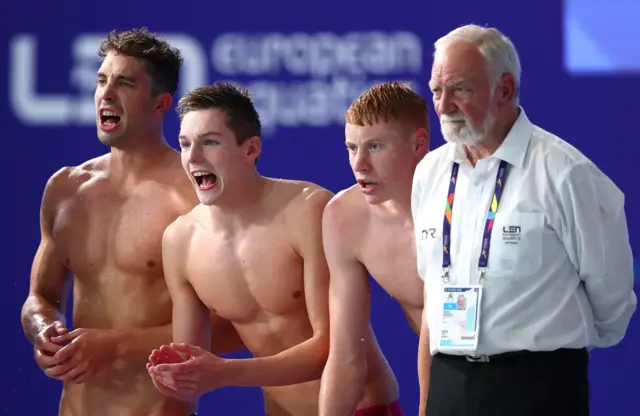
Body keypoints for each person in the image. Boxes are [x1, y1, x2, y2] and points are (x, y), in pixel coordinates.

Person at [413, 24, 637, 416]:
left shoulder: (565, 173)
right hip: (450, 385)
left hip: (537, 389)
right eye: (436, 90)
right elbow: (431, 283)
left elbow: (612, 300)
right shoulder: (429, 173)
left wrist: (546, 354)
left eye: (460, 89)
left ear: (505, 90)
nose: (443, 105)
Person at [145, 82, 407, 416]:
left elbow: (333, 348)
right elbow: (190, 362)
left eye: (209, 142)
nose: (193, 157)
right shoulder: (179, 242)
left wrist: (223, 372)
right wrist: (174, 372)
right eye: (185, 144)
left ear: (251, 149)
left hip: (360, 409)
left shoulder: (307, 211)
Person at [20, 28, 241, 416]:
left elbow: (234, 327)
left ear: (160, 104)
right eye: (102, 80)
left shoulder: (194, 196)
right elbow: (41, 297)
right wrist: (43, 329)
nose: (106, 94)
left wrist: (114, 344)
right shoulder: (66, 188)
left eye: (124, 83)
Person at [318, 81, 429, 416]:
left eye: (376, 147)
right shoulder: (345, 216)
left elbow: (444, 333)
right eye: (352, 148)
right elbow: (346, 355)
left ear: (418, 144)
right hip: (449, 379)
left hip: (510, 376)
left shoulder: (461, 206)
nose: (359, 164)